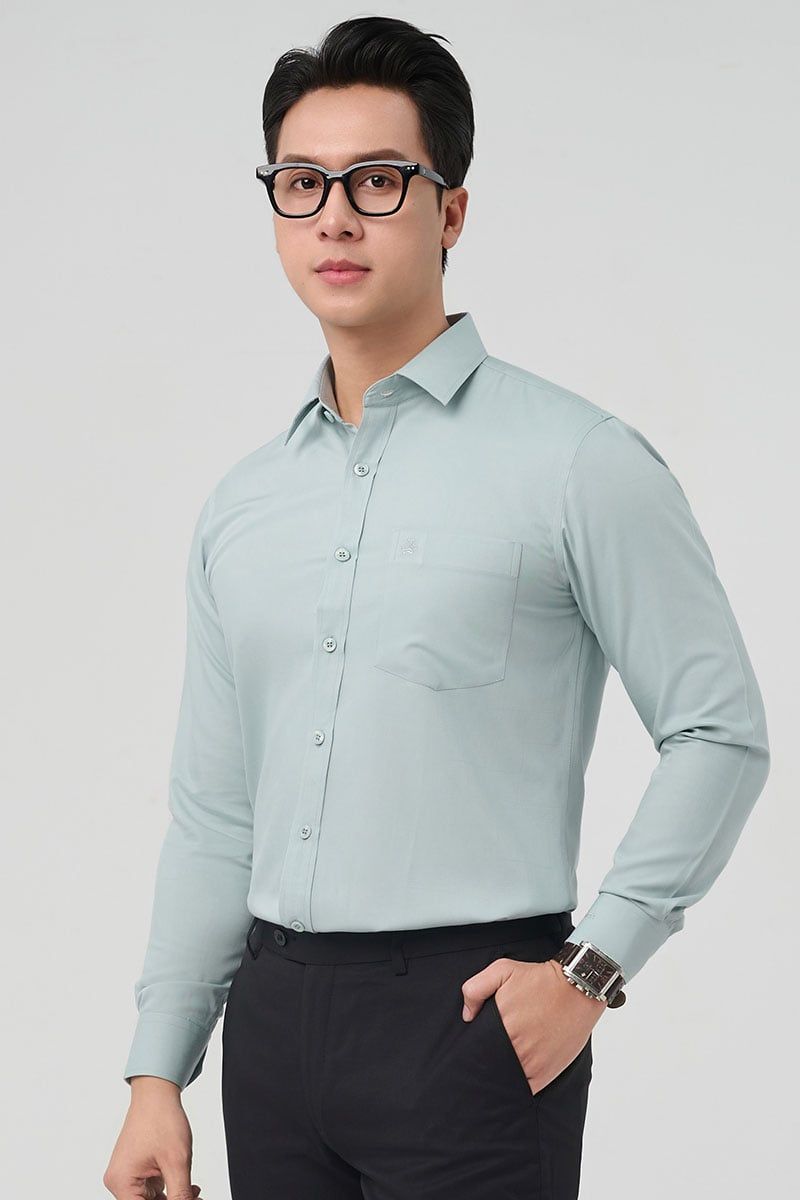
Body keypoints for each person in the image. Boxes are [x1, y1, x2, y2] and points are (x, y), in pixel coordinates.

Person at [103, 14, 770, 1200]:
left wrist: (591, 970)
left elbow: (716, 730)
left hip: (472, 1023)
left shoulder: (576, 461)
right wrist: (159, 1068)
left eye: (377, 180)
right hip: (272, 1028)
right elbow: (214, 814)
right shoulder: (242, 505)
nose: (335, 217)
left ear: (449, 211)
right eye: (301, 184)